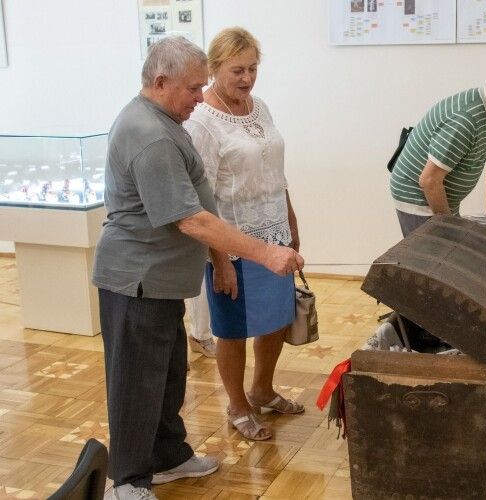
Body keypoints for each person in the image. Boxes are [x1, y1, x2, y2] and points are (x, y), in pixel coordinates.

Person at [93, 36, 304, 500]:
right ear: (161, 81)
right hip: (136, 281)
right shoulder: (148, 134)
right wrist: (264, 253)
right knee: (135, 383)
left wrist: (242, 251)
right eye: (193, 88)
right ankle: (126, 481)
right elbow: (191, 217)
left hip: (162, 281)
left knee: (166, 375)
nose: (199, 98)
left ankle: (168, 457)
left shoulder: (165, 119)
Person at [183, 27, 304, 443]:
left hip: (274, 235)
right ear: (214, 69)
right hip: (232, 242)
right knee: (232, 328)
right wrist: (219, 259)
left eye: (253, 68)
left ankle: (263, 390)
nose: (247, 78)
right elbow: (202, 196)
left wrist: (290, 221)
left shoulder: (260, 107)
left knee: (276, 318)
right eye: (237, 70)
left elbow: (276, 170)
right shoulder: (202, 122)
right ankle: (237, 405)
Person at [390, 65, 486, 236]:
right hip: (418, 197)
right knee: (436, 257)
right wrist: (449, 226)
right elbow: (429, 180)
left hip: (436, 197)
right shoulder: (466, 120)